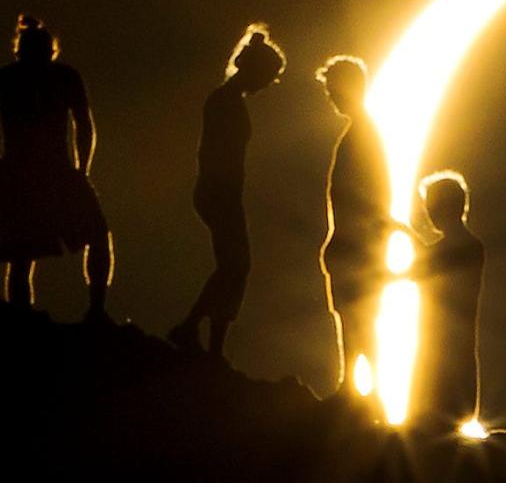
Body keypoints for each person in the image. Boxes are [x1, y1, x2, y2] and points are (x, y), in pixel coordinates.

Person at [0, 14, 114, 321]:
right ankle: (94, 311)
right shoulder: (59, 77)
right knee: (47, 248)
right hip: (47, 172)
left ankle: (46, 317)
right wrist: (81, 169)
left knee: (25, 255)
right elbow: (84, 124)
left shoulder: (11, 77)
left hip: (28, 173)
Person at [168, 24, 286, 359]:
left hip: (220, 193)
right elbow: (215, 155)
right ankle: (197, 333)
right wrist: (225, 193)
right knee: (235, 267)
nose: (267, 86)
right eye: (268, 77)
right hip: (220, 193)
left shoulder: (226, 100)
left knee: (233, 268)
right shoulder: (225, 102)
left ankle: (205, 339)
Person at [314, 55, 392, 399]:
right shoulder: (361, 134)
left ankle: (364, 391)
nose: (331, 97)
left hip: (358, 247)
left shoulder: (363, 136)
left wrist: (366, 239)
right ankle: (353, 386)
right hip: (352, 243)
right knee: (351, 316)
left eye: (333, 89)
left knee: (360, 317)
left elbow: (372, 196)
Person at [411, 171, 485, 431]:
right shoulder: (469, 246)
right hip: (448, 362)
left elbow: (422, 268)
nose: (428, 213)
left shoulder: (465, 248)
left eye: (431, 206)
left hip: (444, 367)